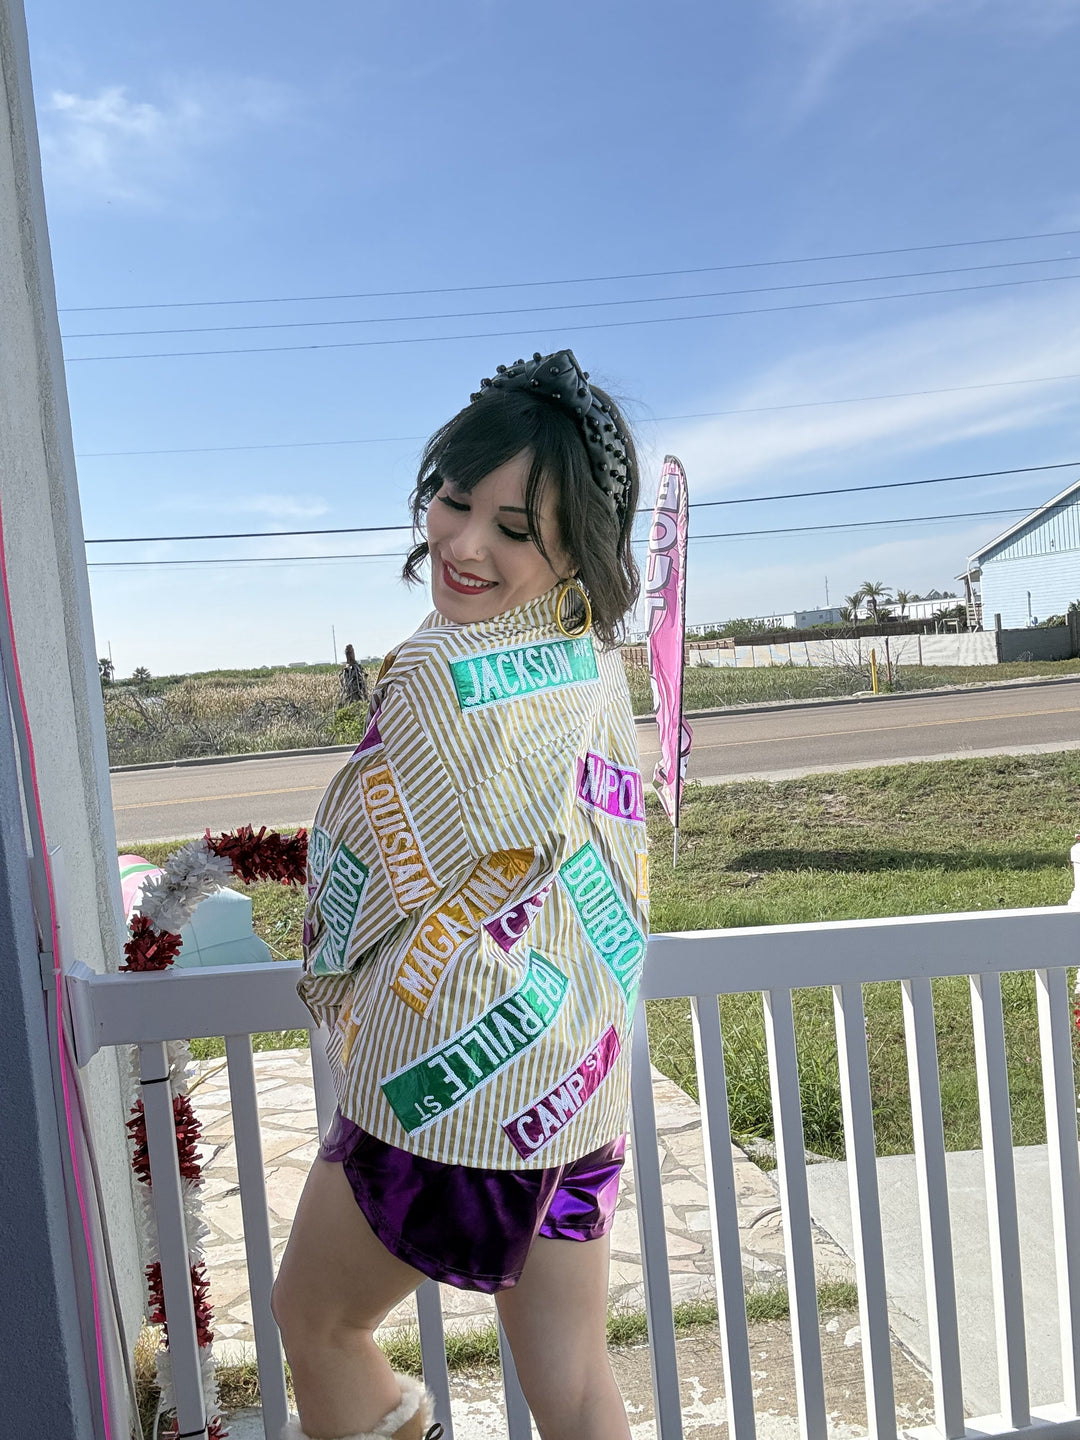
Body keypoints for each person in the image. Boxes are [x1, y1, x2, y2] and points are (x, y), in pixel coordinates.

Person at [272, 349, 649, 1440]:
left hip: (453, 1091)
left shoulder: (438, 670)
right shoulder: (596, 663)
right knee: (573, 1382)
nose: (466, 541)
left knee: (316, 1318)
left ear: (577, 544)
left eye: (516, 528)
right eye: (454, 499)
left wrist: (329, 975)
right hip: (578, 1084)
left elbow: (361, 863)